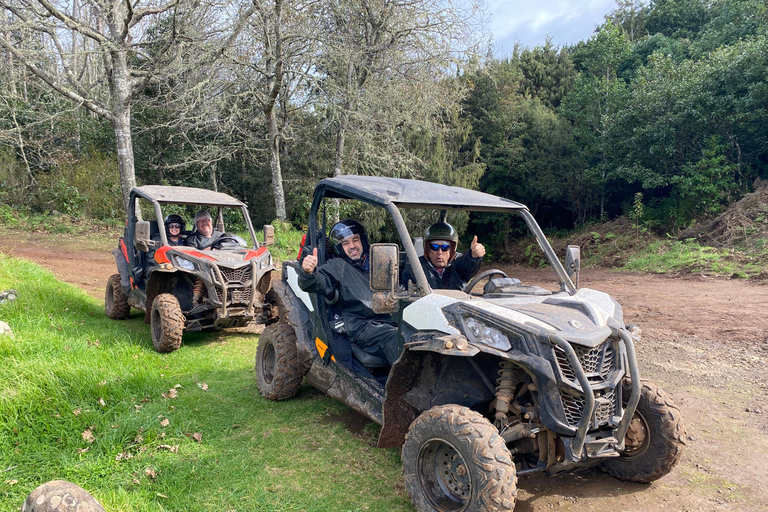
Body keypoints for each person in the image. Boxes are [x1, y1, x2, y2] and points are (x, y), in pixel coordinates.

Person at [298, 219, 400, 367]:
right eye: (345, 243)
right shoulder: (337, 267)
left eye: (355, 240)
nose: (352, 246)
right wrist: (308, 273)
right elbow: (318, 282)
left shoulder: (379, 262)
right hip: (362, 326)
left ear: (363, 241)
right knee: (397, 338)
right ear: (340, 248)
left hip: (390, 319)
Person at [401, 222, 485, 291]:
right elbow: (404, 298)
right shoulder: (414, 270)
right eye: (434, 247)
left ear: (452, 250)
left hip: (457, 308)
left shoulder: (458, 264)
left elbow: (467, 264)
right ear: (427, 249)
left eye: (445, 247)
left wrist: (473, 256)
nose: (440, 252)